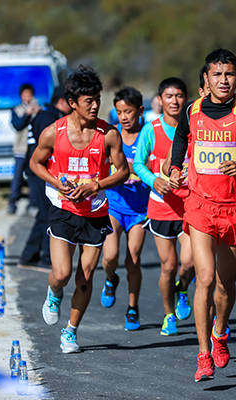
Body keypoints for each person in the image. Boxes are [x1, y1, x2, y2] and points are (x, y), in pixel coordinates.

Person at [169, 48, 236, 382]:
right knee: (203, 278)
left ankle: (220, 330)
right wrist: (175, 167)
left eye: (229, 74)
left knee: (224, 285)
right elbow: (181, 138)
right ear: (206, 79)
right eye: (217, 75)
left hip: (234, 209)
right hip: (200, 206)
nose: (223, 80)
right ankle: (203, 355)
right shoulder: (193, 110)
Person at [29, 65, 129, 353]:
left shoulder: (109, 134)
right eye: (89, 101)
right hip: (63, 208)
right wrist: (56, 184)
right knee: (61, 272)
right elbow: (36, 163)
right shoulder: (53, 133)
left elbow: (123, 171)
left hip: (95, 212)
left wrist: (97, 185)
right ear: (72, 103)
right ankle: (54, 292)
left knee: (85, 276)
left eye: (98, 99)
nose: (96, 105)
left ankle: (70, 332)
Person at [133, 78, 195, 336]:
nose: (174, 101)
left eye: (179, 95)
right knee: (168, 265)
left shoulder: (195, 127)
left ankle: (183, 288)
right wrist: (154, 180)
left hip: (190, 205)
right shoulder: (151, 129)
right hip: (161, 206)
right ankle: (168, 314)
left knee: (190, 262)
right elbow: (138, 164)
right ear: (160, 100)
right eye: (169, 96)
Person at [99, 87, 150, 331]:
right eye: (119, 112)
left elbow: (155, 165)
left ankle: (132, 306)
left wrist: (142, 174)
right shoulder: (112, 134)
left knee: (133, 258)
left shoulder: (148, 134)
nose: (123, 117)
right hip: (114, 204)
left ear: (140, 111)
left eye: (128, 111)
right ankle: (110, 279)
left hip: (140, 208)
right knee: (109, 256)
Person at [19, 87, 71, 268]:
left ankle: (29, 256)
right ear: (62, 102)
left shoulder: (49, 114)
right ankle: (44, 257)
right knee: (47, 214)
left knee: (44, 213)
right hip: (38, 171)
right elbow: (48, 149)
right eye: (71, 103)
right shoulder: (49, 118)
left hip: (42, 172)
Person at [10, 83, 40, 214]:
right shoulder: (16, 110)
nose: (27, 97)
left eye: (30, 95)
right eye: (25, 95)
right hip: (21, 149)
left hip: (34, 148)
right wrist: (27, 114)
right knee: (17, 176)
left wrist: (36, 111)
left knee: (33, 176)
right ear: (21, 96)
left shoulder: (37, 109)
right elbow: (18, 125)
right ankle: (12, 202)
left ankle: (33, 203)